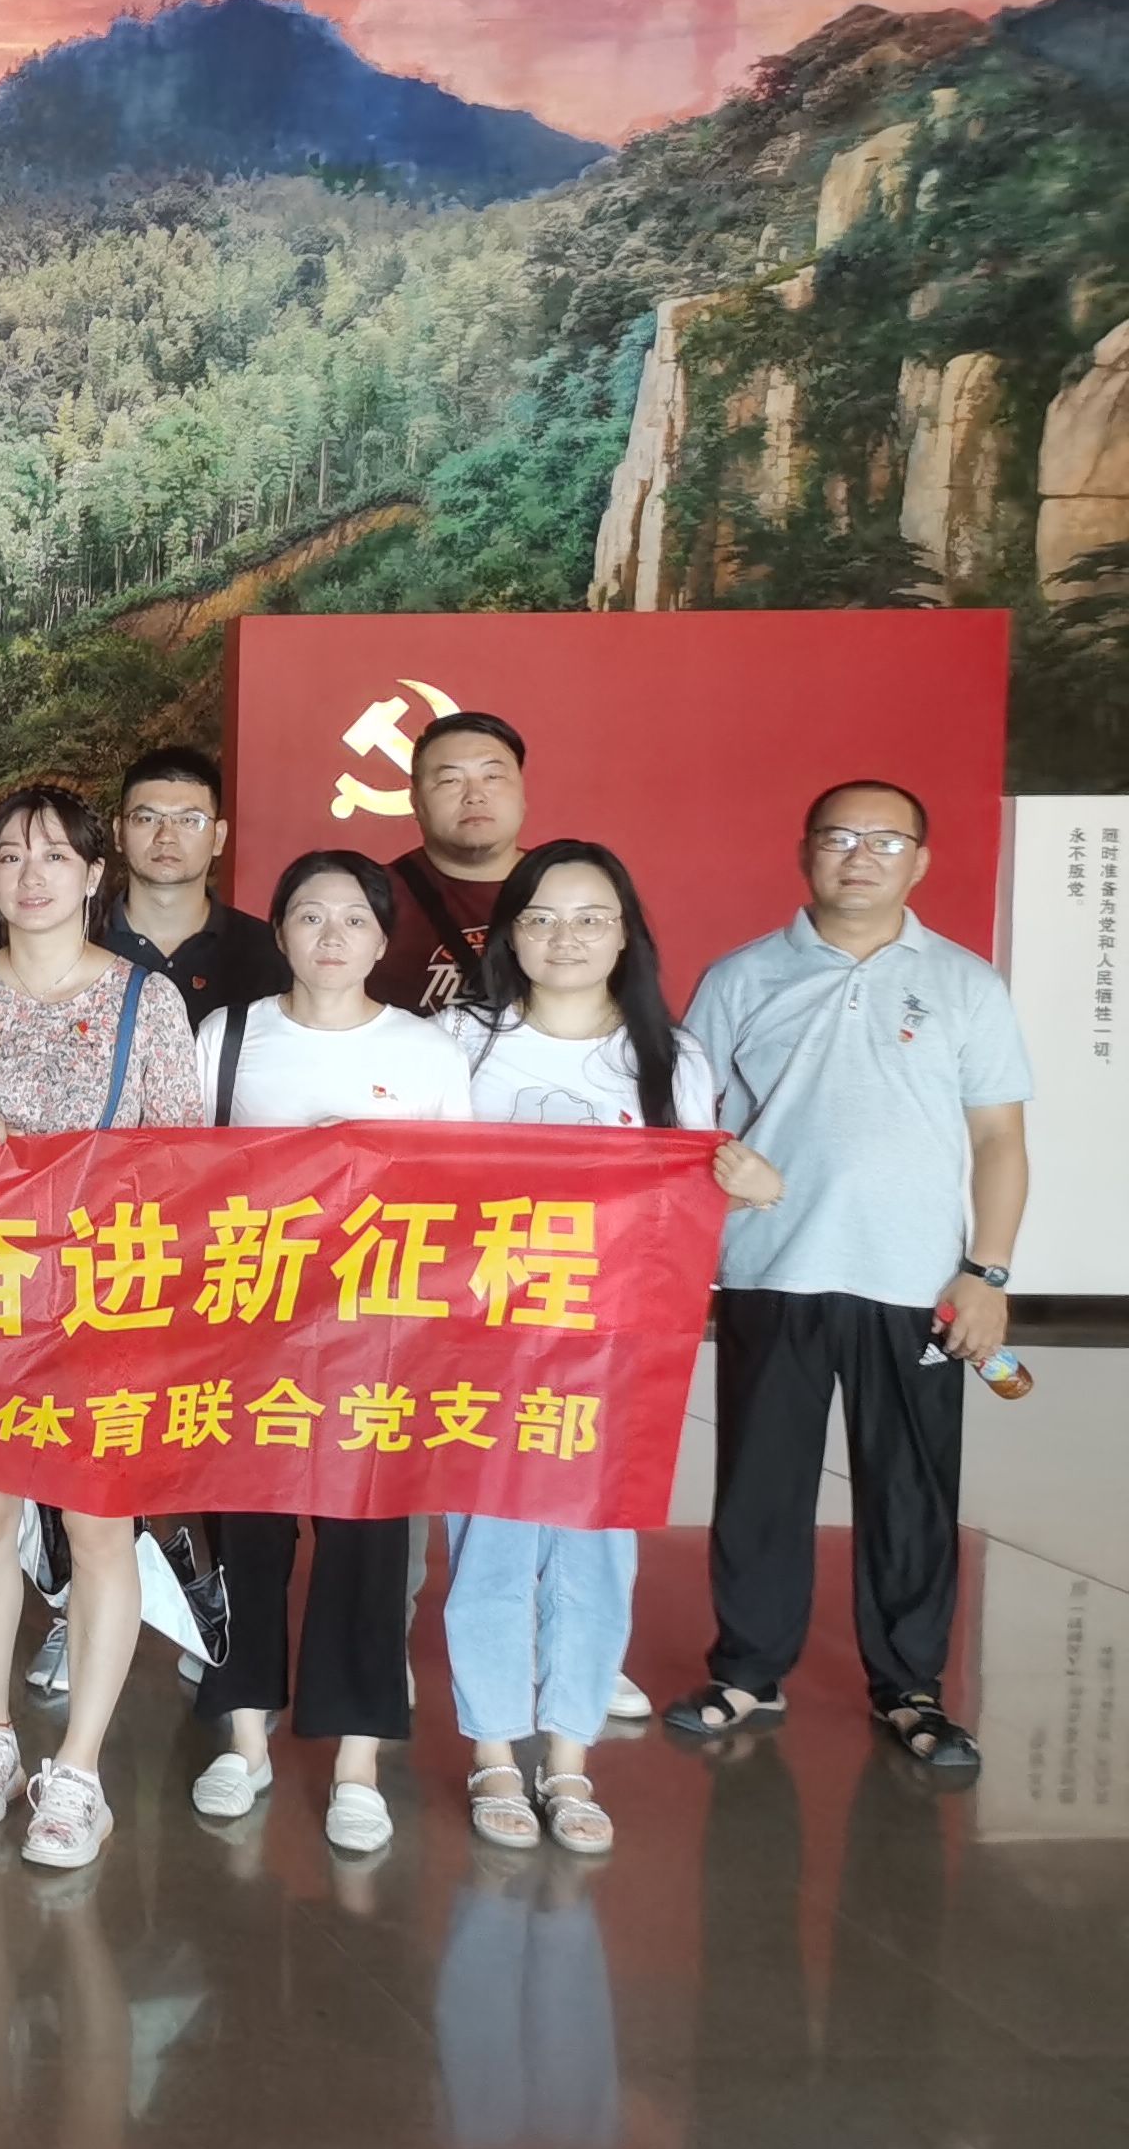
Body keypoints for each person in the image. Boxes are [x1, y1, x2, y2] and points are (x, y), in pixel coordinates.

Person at [676, 781, 1032, 1773]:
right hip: (772, 1269)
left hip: (917, 1282)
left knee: (911, 1490)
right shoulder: (741, 976)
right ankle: (749, 1669)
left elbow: (1000, 1140)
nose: (860, 855)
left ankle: (911, 1688)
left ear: (920, 862)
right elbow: (690, 1121)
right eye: (839, 837)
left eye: (885, 840)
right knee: (760, 1483)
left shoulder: (966, 984)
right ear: (806, 853)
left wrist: (988, 1272)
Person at [443, 840, 786, 1854]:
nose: (567, 938)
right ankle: (494, 1752)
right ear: (510, 935)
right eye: (542, 918)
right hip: (483, 1348)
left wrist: (744, 1190)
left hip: (616, 1351)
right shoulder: (460, 1041)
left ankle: (569, 1759)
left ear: (627, 934)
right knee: (488, 1551)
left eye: (592, 918)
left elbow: (684, 1211)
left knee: (597, 1554)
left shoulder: (671, 1059)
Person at [0, 781, 203, 1871]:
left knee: (97, 1526)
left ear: (93, 873)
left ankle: (78, 1770)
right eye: (12, 857)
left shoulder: (146, 1003)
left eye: (55, 856)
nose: (32, 876)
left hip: (104, 1297)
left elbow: (185, 1159)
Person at [184, 849, 473, 1859]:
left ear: (383, 938)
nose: (332, 935)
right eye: (310, 915)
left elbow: (463, 1199)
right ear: (280, 932)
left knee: (366, 1549)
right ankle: (244, 1737)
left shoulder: (428, 1052)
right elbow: (181, 1178)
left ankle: (358, 1762)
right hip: (251, 1335)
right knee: (247, 1540)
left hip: (378, 1343)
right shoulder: (228, 1038)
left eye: (354, 918)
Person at [100, 745, 286, 1028]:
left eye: (189, 820)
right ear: (118, 833)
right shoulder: (80, 942)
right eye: (147, 818)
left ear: (218, 837)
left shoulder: (269, 954)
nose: (166, 836)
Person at [367, 710, 528, 1017]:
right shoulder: (371, 899)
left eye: (493, 777)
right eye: (450, 780)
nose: (475, 796)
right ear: (415, 801)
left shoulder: (571, 890)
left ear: (523, 794)